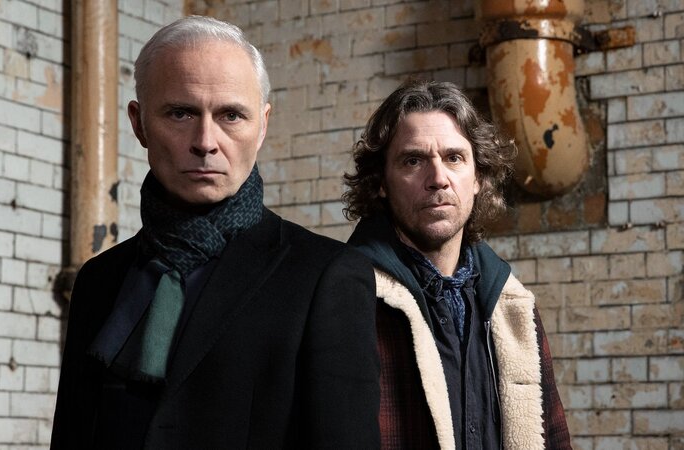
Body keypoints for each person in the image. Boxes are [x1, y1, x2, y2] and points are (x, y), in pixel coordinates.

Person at [51, 16, 379, 449]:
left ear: (262, 126)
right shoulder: (98, 279)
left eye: (231, 115)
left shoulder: (327, 277)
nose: (205, 141)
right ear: (139, 123)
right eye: (180, 113)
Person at [344, 80, 571, 449]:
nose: (438, 179)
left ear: (478, 177)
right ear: (381, 182)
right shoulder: (345, 298)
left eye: (454, 158)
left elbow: (555, 440)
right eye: (413, 160)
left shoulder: (512, 305)